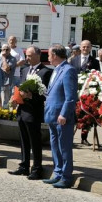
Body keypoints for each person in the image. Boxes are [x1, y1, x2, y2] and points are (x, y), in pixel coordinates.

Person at [10, 46, 52, 180]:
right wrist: (15, 97)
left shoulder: (45, 72)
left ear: (38, 56)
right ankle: (24, 165)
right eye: (26, 55)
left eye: (29, 56)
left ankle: (37, 168)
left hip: (34, 111)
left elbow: (45, 94)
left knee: (35, 141)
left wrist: (31, 96)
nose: (27, 58)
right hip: (22, 110)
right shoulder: (24, 70)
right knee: (23, 140)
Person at [44, 44, 78, 188]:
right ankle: (57, 172)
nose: (48, 58)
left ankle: (66, 176)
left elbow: (70, 97)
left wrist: (64, 113)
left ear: (56, 55)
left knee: (64, 147)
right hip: (52, 115)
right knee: (55, 146)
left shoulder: (68, 70)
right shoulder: (57, 70)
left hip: (62, 117)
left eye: (49, 55)